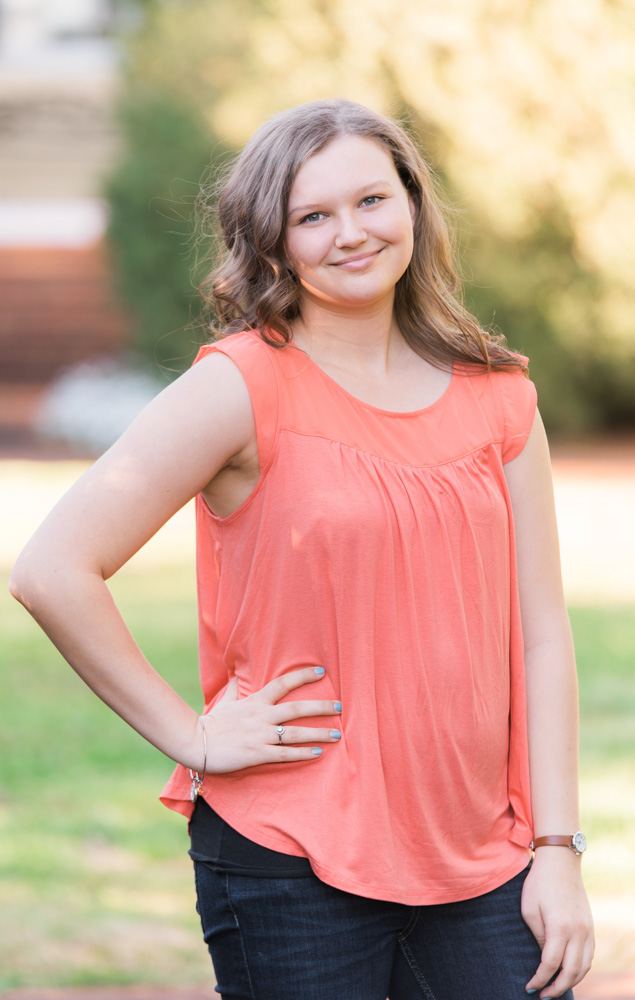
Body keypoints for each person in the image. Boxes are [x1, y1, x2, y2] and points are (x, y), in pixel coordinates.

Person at [10, 98, 594, 1000]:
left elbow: (543, 638)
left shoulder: (500, 397)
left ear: (414, 204)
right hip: (291, 857)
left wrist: (558, 847)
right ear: (271, 243)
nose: (350, 234)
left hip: (486, 859)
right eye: (311, 216)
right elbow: (51, 569)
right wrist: (191, 736)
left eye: (371, 200)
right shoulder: (241, 385)